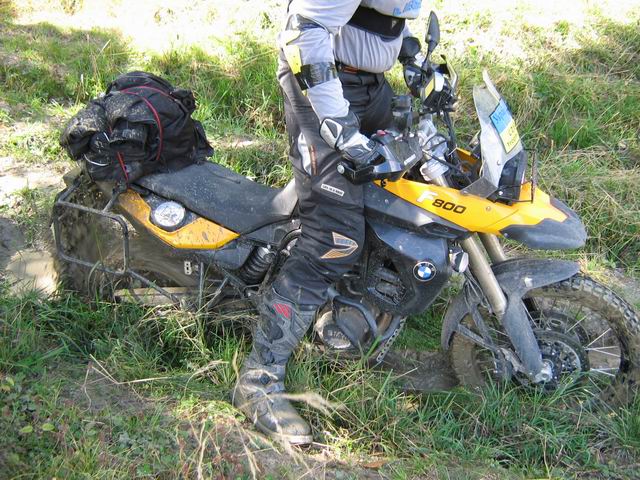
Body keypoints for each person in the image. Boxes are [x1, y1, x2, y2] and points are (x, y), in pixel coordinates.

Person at [233, 0, 424, 445]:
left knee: (390, 193)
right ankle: (258, 380)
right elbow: (305, 29)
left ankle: (342, 311)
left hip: (367, 83)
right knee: (333, 241)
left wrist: (413, 56)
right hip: (320, 84)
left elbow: (375, 19)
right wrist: (337, 124)